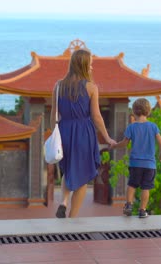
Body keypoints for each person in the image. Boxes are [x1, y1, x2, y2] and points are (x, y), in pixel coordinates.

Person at [50, 49, 116, 218]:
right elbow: (96, 116)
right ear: (85, 65)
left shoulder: (58, 86)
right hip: (83, 133)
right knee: (83, 174)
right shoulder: (91, 88)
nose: (92, 65)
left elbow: (53, 115)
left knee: (69, 169)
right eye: (91, 62)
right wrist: (107, 137)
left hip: (64, 130)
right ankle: (72, 218)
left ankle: (63, 202)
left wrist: (54, 136)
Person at [111, 98, 161, 218]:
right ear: (148, 111)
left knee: (132, 184)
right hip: (150, 165)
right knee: (146, 187)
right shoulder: (153, 126)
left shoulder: (132, 127)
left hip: (135, 163)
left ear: (134, 112)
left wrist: (115, 146)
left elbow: (124, 143)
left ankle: (129, 205)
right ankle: (142, 210)